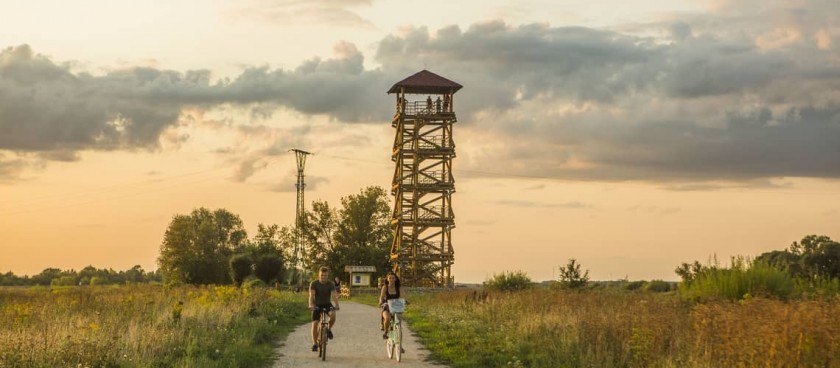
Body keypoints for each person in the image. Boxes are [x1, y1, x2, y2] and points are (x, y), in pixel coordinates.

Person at [309, 267, 340, 351]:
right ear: (319, 275)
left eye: (325, 275)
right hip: (317, 305)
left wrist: (337, 305)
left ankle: (329, 330)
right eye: (322, 275)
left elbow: (334, 295)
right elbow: (311, 296)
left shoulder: (330, 284)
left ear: (327, 275)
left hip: (327, 304)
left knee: (333, 315)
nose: (323, 277)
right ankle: (315, 344)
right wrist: (311, 304)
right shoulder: (314, 283)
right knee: (315, 323)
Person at [379, 271, 401, 339]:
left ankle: (399, 345)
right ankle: (385, 332)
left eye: (393, 278)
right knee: (387, 318)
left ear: (395, 279)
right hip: (386, 306)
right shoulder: (385, 287)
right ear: (387, 279)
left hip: (395, 306)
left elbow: (403, 296)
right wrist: (380, 302)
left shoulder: (398, 288)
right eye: (390, 278)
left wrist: (406, 300)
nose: (391, 279)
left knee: (399, 323)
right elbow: (381, 297)